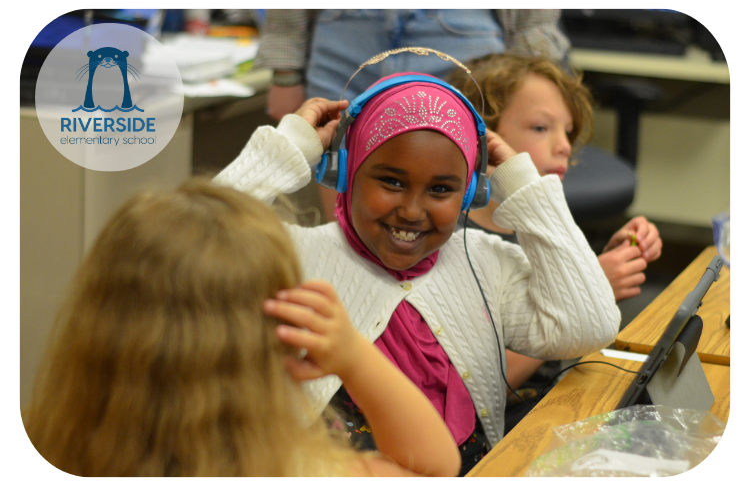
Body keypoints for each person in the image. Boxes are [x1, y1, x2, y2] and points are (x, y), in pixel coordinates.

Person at [213, 71, 621, 474]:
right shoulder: (295, 256)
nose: (411, 210)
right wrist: (287, 149)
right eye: (391, 181)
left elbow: (589, 325)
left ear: (471, 192)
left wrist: (524, 188)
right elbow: (189, 248)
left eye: (441, 189)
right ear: (345, 172)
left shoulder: (484, 263)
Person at [21, 179, 460, 477]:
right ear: (280, 333)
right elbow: (435, 467)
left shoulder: (40, 448)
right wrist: (356, 358)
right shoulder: (304, 472)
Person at [448, 54, 663, 430]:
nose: (564, 145)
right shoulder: (457, 247)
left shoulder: (539, 224)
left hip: (563, 394)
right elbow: (476, 390)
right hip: (506, 426)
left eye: (568, 131)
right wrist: (594, 287)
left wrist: (598, 266)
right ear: (482, 138)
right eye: (541, 128)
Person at [256, 9, 571, 222]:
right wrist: (285, 68)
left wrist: (537, 65)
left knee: (445, 215)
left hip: (461, 33)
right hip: (343, 31)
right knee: (344, 221)